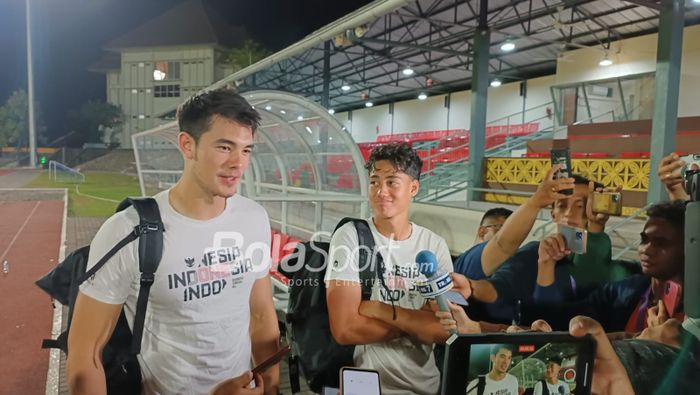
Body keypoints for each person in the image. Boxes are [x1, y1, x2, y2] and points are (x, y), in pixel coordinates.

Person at [67, 88, 280, 395]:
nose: (238, 163)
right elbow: (85, 354)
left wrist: (272, 388)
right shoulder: (129, 230)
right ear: (187, 145)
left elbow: (260, 314)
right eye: (224, 147)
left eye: (246, 150)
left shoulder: (254, 218)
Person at [325, 142, 454, 395]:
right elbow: (345, 328)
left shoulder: (433, 245)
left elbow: (443, 329)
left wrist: (381, 310)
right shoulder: (351, 236)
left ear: (413, 187)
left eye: (392, 182)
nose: (381, 191)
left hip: (425, 386)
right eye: (374, 181)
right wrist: (418, 325)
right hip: (367, 385)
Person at [454, 172, 636, 324]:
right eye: (562, 206)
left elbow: (589, 265)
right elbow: (501, 286)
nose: (569, 214)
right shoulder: (534, 253)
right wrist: (471, 286)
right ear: (553, 214)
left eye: (581, 206)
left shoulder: (618, 272)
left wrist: (596, 227)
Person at [519, 200, 686, 332]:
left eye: (660, 243)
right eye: (644, 240)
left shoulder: (692, 311)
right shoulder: (624, 291)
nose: (646, 250)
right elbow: (564, 318)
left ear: (688, 247)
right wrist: (545, 264)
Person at [453, 165, 572, 280]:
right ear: (482, 231)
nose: (511, 234)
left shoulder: (515, 265)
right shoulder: (470, 259)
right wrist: (535, 202)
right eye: (500, 228)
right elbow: (502, 244)